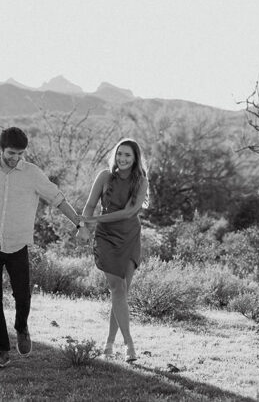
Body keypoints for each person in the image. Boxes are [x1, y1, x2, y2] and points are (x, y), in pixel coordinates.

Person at [0, 126, 84, 369]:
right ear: (1, 149)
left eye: (20, 154)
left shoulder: (32, 174)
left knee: (22, 295)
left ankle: (21, 326)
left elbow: (57, 198)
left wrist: (79, 223)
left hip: (17, 244)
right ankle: (1, 351)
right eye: (11, 152)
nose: (15, 158)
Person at [78, 138, 150, 363]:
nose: (123, 159)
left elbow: (129, 213)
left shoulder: (141, 181)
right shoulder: (104, 176)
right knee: (116, 287)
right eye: (120, 154)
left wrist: (94, 220)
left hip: (129, 236)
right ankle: (129, 345)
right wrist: (83, 227)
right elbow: (90, 205)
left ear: (135, 158)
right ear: (115, 155)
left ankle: (109, 344)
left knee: (121, 293)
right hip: (106, 238)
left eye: (128, 155)